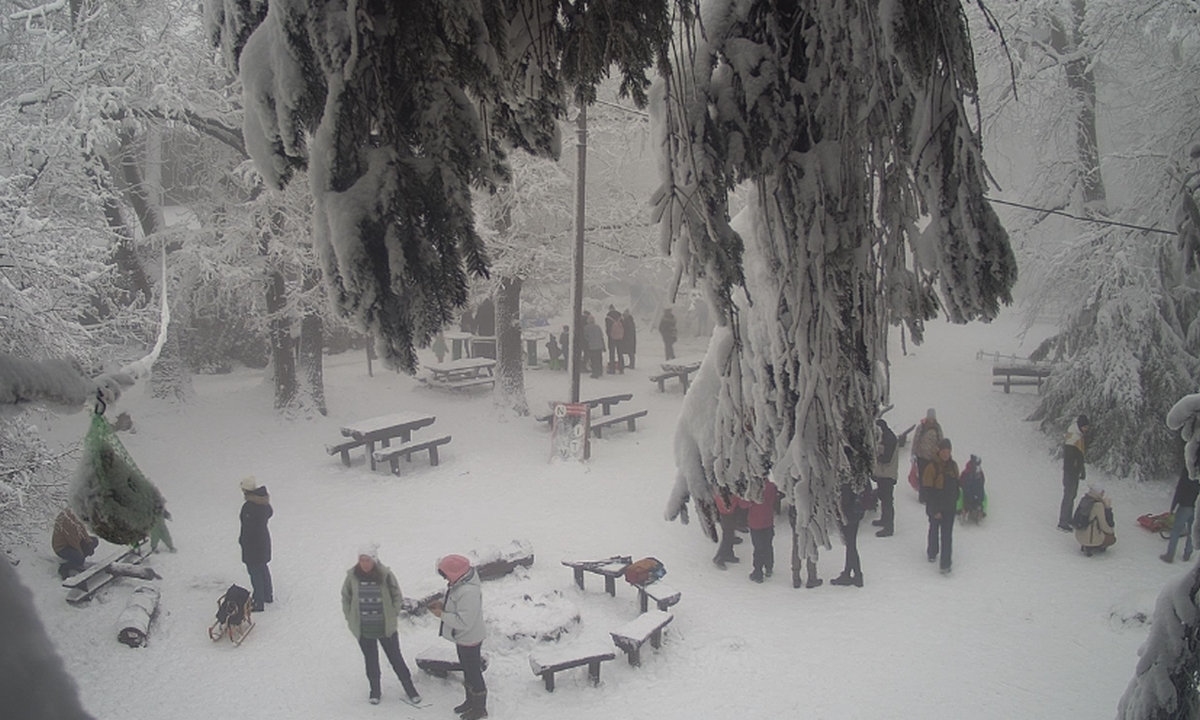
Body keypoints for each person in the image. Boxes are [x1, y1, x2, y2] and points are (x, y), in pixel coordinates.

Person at [341, 545, 421, 706]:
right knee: (370, 660)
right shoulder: (352, 577)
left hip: (385, 628)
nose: (364, 563)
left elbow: (396, 594)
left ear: (374, 560)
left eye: (368, 560)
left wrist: (393, 613)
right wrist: (351, 618)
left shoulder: (386, 575)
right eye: (362, 560)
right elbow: (346, 597)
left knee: (396, 658)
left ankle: (409, 688)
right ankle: (375, 690)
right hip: (364, 628)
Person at [429, 554, 487, 719]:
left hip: (470, 638)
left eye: (445, 574)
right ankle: (471, 701)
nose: (444, 578)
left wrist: (442, 614)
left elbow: (464, 622)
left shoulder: (468, 591)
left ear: (455, 573)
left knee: (473, 672)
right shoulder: (460, 584)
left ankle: (479, 708)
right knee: (468, 671)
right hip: (463, 638)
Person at [923, 438, 960, 575]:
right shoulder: (931, 467)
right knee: (934, 529)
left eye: (948, 451)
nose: (946, 454)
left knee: (947, 535)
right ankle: (932, 552)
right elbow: (927, 490)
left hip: (949, 506)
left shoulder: (953, 466)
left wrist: (956, 501)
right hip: (936, 506)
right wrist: (934, 509)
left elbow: (957, 485)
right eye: (944, 451)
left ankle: (945, 564)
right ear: (939, 451)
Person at [238, 476, 273, 611]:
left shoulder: (249, 507)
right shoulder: (263, 504)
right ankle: (267, 595)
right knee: (262, 567)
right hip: (263, 540)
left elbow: (248, 530)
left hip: (253, 544)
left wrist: (242, 541)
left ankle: (258, 601)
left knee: (254, 571)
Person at [1057, 414, 1091, 532]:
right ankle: (1063, 522)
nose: (1087, 429)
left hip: (1074, 472)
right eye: (1085, 426)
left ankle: (1068, 518)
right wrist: (1075, 470)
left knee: (1072, 495)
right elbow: (1071, 459)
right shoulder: (1073, 439)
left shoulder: (1079, 436)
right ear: (1080, 426)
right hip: (1070, 472)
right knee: (1069, 495)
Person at [831, 482, 865, 587]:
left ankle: (856, 574)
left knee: (850, 544)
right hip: (857, 508)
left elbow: (845, 496)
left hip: (847, 511)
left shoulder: (845, 473)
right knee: (851, 543)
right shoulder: (860, 471)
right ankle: (851, 573)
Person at [1162, 466, 1198, 563]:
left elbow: (1180, 488)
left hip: (1185, 505)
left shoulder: (1188, 470)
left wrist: (1173, 507)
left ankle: (1170, 555)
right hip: (1196, 506)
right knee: (1191, 531)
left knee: (1176, 530)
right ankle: (1187, 554)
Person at [872, 419, 900, 537]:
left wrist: (875, 456)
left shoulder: (889, 439)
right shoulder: (887, 437)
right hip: (884, 473)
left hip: (887, 474)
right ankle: (884, 519)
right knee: (884, 497)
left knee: (887, 500)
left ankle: (889, 527)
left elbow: (886, 458)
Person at [52, 508, 98, 580]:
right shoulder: (67, 520)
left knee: (94, 541)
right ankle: (64, 568)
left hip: (74, 541)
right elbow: (73, 540)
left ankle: (77, 561)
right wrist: (81, 553)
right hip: (62, 547)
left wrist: (89, 543)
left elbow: (82, 529)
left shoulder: (76, 515)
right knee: (79, 558)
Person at [747, 479, 777, 582]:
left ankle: (758, 572)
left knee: (758, 547)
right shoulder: (771, 486)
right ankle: (769, 567)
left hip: (755, 522)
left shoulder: (752, 488)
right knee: (768, 545)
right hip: (768, 520)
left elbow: (744, 504)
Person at [1075, 482, 1115, 556]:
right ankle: (1094, 546)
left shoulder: (1085, 499)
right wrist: (1111, 531)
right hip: (1090, 538)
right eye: (1102, 491)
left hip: (1079, 536)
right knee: (1111, 538)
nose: (1103, 494)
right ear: (1099, 492)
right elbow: (1103, 525)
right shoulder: (1098, 505)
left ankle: (1086, 545)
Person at [911, 408, 943, 492]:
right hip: (921, 456)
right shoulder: (921, 427)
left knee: (931, 476)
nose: (931, 419)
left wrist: (940, 454)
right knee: (922, 475)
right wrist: (913, 453)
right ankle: (923, 494)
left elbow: (941, 441)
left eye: (932, 417)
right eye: (930, 417)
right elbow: (916, 440)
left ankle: (930, 493)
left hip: (933, 457)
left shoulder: (937, 428)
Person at [712, 489, 740, 569]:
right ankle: (720, 557)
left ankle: (729, 553)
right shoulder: (725, 487)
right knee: (728, 536)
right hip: (727, 512)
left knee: (729, 534)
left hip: (726, 510)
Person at [958, 455, 987, 524]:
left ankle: (973, 509)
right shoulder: (971, 472)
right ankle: (968, 509)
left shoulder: (972, 471)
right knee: (965, 496)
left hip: (972, 490)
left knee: (981, 496)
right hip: (969, 490)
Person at [583, 314, 606, 379]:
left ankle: (595, 373)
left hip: (592, 346)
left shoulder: (586, 328)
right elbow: (601, 336)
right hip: (599, 345)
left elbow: (586, 337)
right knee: (599, 359)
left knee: (594, 360)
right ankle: (600, 371)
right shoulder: (598, 327)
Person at [605, 305, 624, 374]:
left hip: (612, 338)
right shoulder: (620, 316)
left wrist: (609, 335)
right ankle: (621, 368)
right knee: (620, 352)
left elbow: (608, 328)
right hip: (620, 337)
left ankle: (612, 369)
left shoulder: (608, 317)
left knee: (612, 353)